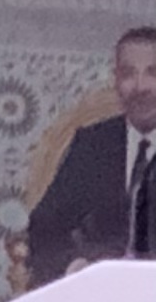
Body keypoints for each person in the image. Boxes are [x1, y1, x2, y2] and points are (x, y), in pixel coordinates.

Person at [26, 27, 156, 283]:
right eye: (128, 73)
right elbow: (45, 227)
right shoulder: (93, 145)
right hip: (98, 290)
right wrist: (73, 265)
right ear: (115, 80)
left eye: (153, 73)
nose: (140, 87)